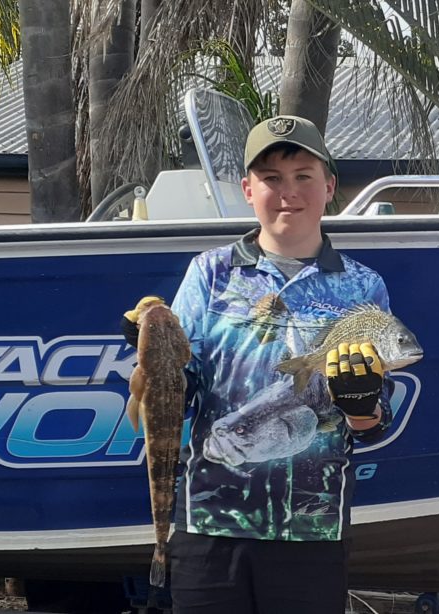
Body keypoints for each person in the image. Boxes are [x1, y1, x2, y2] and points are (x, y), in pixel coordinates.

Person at [122, 115, 394, 613]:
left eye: (303, 176)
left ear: (329, 186)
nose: (287, 191)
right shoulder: (209, 272)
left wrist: (364, 404)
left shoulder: (363, 287)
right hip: (208, 527)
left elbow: (370, 426)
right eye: (271, 179)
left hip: (312, 529)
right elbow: (178, 392)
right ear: (248, 190)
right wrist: (152, 356)